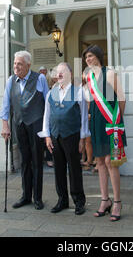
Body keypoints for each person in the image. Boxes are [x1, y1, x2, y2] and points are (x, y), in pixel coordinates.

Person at [38, 63, 89, 215]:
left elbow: (84, 118)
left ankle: (79, 201)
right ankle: (62, 200)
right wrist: (46, 136)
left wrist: (82, 138)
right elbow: (46, 115)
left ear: (70, 74)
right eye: (57, 72)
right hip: (54, 136)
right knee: (58, 169)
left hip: (72, 135)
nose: (59, 75)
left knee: (74, 169)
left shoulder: (78, 92)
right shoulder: (50, 93)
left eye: (63, 72)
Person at [0, 50, 49, 210]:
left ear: (28, 65)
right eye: (15, 63)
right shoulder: (10, 81)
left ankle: (37, 198)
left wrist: (47, 128)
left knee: (36, 161)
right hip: (19, 124)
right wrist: (5, 125)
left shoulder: (40, 78)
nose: (16, 66)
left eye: (19, 64)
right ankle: (26, 196)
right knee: (24, 161)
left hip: (36, 124)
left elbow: (47, 103)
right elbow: (6, 104)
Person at [83, 45, 127, 222]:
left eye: (91, 56)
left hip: (111, 123)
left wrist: (117, 119)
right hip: (96, 122)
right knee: (99, 161)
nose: (88, 59)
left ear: (99, 56)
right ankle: (104, 200)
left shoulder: (110, 74)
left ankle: (117, 202)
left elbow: (121, 98)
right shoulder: (88, 76)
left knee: (111, 161)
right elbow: (90, 100)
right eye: (86, 57)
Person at [39, 65, 54, 168]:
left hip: (50, 116)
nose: (43, 73)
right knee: (45, 138)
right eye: (41, 71)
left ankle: (50, 158)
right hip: (42, 115)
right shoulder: (40, 80)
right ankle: (47, 158)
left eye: (44, 71)